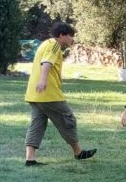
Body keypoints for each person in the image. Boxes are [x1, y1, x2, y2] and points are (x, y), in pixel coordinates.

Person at [23, 22, 96, 166]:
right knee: (68, 119)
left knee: (37, 124)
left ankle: (30, 159)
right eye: (70, 36)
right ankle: (78, 152)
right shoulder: (54, 45)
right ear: (62, 35)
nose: (72, 39)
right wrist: (43, 81)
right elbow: (46, 63)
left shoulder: (45, 44)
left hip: (34, 94)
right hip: (48, 93)